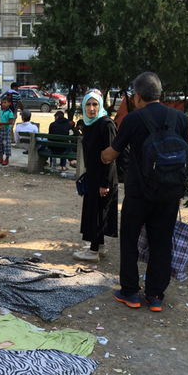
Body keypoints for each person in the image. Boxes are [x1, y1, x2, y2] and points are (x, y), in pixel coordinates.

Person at [101, 71, 188, 312]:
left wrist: (102, 155)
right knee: (161, 242)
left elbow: (113, 153)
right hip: (170, 192)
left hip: (139, 193)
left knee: (130, 241)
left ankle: (130, 293)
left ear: (138, 96)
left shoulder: (133, 119)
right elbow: (184, 156)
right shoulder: (180, 118)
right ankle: (155, 296)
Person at [73, 89, 118, 263]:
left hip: (104, 177)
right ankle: (99, 246)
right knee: (95, 210)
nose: (91, 108)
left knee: (99, 212)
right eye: (88, 104)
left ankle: (93, 252)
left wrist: (105, 182)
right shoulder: (89, 124)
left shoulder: (106, 124)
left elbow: (112, 155)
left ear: (100, 106)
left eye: (95, 104)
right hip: (93, 176)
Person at [0, 97, 14, 166]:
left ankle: (7, 159)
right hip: (1, 129)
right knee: (0, 144)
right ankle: (0, 158)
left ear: (9, 103)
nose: (4, 104)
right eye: (3, 102)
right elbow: (1, 119)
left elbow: (11, 121)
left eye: (5, 102)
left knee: (6, 144)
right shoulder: (2, 111)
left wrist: (3, 123)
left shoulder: (9, 112)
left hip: (6, 130)